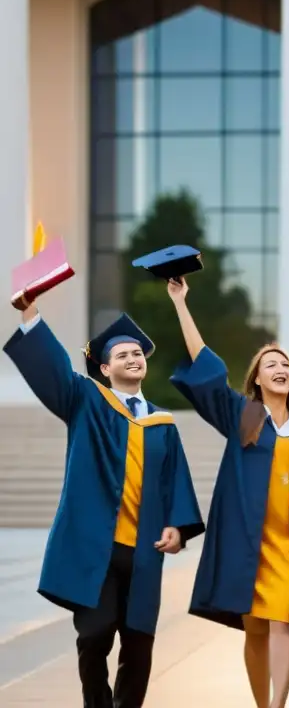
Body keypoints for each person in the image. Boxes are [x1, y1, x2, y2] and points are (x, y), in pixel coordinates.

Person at [4, 301, 204, 708]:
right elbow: (57, 373)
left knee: (139, 644)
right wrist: (32, 317)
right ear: (105, 369)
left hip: (144, 551)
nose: (132, 358)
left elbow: (175, 481)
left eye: (136, 353)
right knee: (94, 635)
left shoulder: (162, 423)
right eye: (121, 355)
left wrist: (178, 527)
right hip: (98, 548)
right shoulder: (87, 402)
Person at [166, 278, 289, 708]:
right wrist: (181, 305)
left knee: (286, 621)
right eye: (270, 364)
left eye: (285, 363)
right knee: (257, 628)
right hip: (251, 541)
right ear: (257, 379)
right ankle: (261, 702)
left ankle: (278, 705)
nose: (280, 368)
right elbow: (207, 368)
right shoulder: (244, 416)